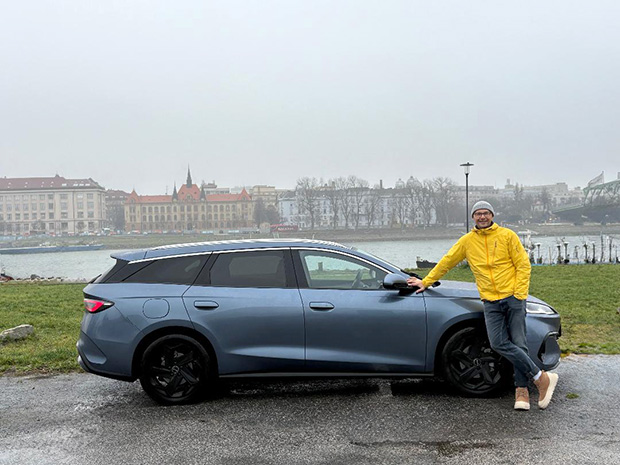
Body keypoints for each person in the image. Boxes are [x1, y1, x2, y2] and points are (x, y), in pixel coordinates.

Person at [407, 201, 558, 410]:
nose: (482, 217)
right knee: (498, 343)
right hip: (490, 301)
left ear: (492, 215)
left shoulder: (507, 236)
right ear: (473, 217)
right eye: (478, 213)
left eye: (486, 213)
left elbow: (523, 265)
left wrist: (519, 294)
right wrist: (426, 281)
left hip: (513, 297)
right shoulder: (467, 241)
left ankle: (521, 391)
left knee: (519, 343)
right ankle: (541, 377)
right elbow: (447, 261)